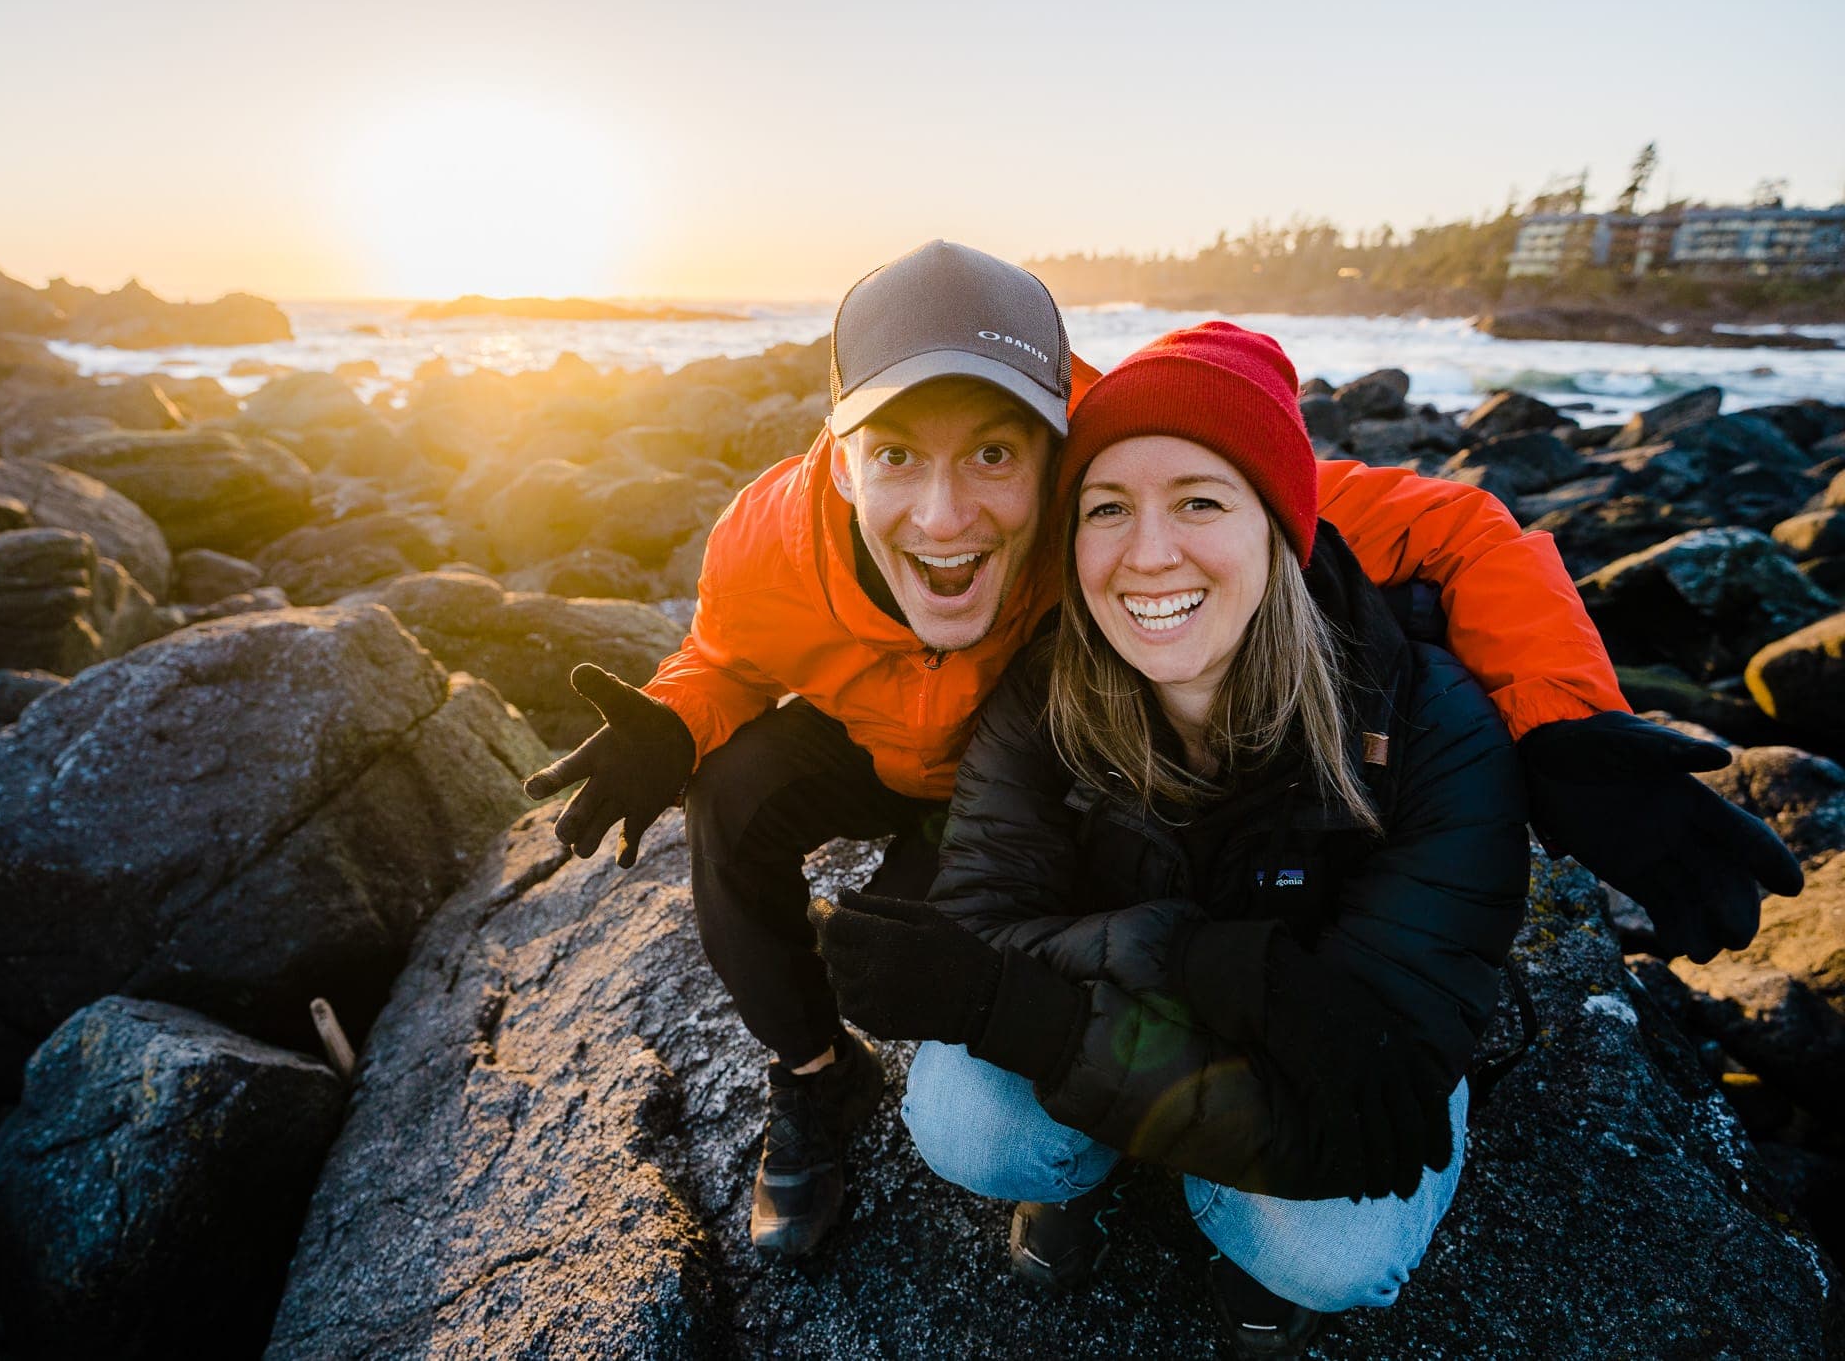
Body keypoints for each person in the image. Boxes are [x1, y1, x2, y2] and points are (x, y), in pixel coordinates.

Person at [523, 242, 1798, 1263]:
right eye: (894, 457)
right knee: (737, 798)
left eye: (992, 455)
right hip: (914, 759)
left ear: (1053, 438)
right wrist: (671, 722)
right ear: (838, 457)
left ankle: (1191, 1167)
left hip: (1038, 776)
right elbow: (725, 655)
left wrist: (1563, 725)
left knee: (1264, 1193)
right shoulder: (765, 544)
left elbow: (1451, 527)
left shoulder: (1136, 466)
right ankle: (813, 1080)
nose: (946, 510)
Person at [809, 323, 1540, 1354]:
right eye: (1107, 509)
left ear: (1277, 526)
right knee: (966, 1123)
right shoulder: (1042, 695)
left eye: (1199, 500)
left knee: (1331, 1251)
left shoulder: (1428, 726)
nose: (1148, 554)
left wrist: (1045, 1010)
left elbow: (1375, 1070)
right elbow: (982, 924)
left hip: (1314, 1063)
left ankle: (1230, 1223)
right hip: (1160, 1015)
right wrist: (1176, 954)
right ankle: (1100, 1159)